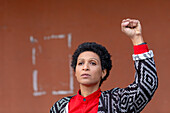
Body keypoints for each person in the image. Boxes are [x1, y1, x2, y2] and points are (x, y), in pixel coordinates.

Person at [50, 18, 158, 113]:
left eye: (93, 63)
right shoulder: (61, 107)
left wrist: (137, 38)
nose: (85, 67)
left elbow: (146, 86)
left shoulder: (116, 102)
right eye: (80, 63)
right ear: (75, 72)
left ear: (103, 72)